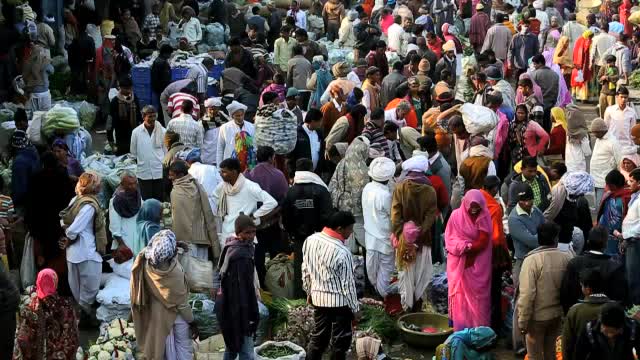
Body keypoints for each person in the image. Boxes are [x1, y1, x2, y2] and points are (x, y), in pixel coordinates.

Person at [303, 211, 360, 360]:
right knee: (340, 342)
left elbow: (306, 270)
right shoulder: (342, 252)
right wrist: (355, 309)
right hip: (340, 303)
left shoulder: (310, 240)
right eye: (350, 229)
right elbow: (348, 285)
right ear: (340, 229)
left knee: (319, 338)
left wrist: (309, 292)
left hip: (318, 299)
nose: (351, 232)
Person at [131, 230, 194, 359]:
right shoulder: (174, 274)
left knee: (164, 349)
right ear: (171, 255)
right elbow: (182, 305)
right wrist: (192, 322)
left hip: (158, 314)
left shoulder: (147, 263)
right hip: (176, 316)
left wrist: (175, 245)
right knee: (182, 348)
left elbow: (157, 249)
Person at [518, 222, 571, 360]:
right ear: (556, 239)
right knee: (551, 354)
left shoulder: (531, 260)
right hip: (557, 316)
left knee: (534, 356)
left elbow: (527, 295)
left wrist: (522, 322)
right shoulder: (567, 258)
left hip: (537, 318)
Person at [282, 158, 333, 298]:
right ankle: (321, 298)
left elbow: (286, 217)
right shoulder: (321, 190)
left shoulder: (290, 192)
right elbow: (328, 216)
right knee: (321, 268)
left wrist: (292, 234)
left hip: (299, 239)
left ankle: (300, 299)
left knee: (300, 269)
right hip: (320, 238)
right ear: (311, 170)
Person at [392, 156, 437, 311]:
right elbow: (431, 216)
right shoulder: (430, 190)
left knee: (406, 272)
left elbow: (395, 214)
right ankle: (418, 305)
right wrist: (420, 232)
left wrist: (402, 235)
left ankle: (407, 307)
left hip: (404, 240)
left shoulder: (400, 187)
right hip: (423, 240)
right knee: (421, 274)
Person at [59, 172, 107, 319]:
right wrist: (70, 235)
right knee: (90, 290)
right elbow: (74, 229)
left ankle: (79, 317)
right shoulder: (89, 206)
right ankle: (83, 317)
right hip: (87, 253)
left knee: (78, 289)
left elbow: (63, 220)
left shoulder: (76, 200)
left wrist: (68, 234)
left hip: (73, 253)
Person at [444, 189, 492, 331]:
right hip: (459, 264)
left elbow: (484, 240)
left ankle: (479, 331)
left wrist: (470, 247)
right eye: (472, 206)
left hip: (479, 264)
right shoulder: (455, 216)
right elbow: (449, 238)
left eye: (477, 207)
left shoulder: (484, 216)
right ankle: (461, 329)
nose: (474, 210)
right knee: (460, 298)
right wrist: (462, 246)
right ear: (465, 204)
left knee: (479, 300)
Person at [12, 269, 79, 359]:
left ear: (38, 283)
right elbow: (72, 337)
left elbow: (22, 339)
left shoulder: (29, 308)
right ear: (55, 283)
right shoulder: (66, 306)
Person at [560, 226, 628, 312]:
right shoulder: (615, 267)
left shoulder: (574, 263)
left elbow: (565, 294)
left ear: (588, 241)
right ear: (606, 244)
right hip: (606, 320)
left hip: (578, 317)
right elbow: (620, 300)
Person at [168, 160, 219, 260]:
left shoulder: (176, 191)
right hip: (200, 237)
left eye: (172, 175)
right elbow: (207, 211)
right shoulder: (196, 185)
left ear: (180, 175)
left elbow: (177, 218)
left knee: (191, 271)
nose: (169, 178)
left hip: (187, 243)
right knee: (202, 269)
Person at [362, 157, 396, 297]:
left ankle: (380, 298)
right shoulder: (386, 195)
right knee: (385, 274)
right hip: (384, 241)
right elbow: (393, 217)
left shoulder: (367, 188)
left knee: (373, 274)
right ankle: (385, 301)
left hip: (370, 239)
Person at [329, 137, 370, 252]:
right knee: (358, 228)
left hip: (342, 204)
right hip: (355, 207)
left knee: (348, 232)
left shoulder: (342, 163)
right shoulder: (359, 166)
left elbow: (332, 185)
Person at [562, 268, 613, 360]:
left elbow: (567, 344)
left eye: (581, 286)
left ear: (587, 289)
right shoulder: (616, 308)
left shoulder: (575, 311)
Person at [574, 302, 640, 359]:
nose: (610, 335)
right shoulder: (589, 330)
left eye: (614, 332)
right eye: (606, 331)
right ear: (601, 322)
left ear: (622, 326)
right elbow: (578, 356)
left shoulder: (633, 329)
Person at [130, 105, 166, 201]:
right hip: (143, 173)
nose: (153, 119)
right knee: (146, 200)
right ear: (143, 117)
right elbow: (133, 153)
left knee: (159, 200)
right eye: (150, 116)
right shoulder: (136, 132)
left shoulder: (163, 131)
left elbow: (166, 152)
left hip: (159, 171)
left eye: (154, 116)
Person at [597, 169, 631, 255]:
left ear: (613, 186)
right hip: (606, 234)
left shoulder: (626, 198)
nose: (606, 187)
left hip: (619, 236)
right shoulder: (609, 195)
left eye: (608, 184)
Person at [109, 171, 141, 261]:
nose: (133, 186)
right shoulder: (116, 200)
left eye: (135, 183)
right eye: (130, 184)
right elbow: (114, 225)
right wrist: (122, 244)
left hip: (137, 236)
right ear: (122, 184)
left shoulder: (137, 195)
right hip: (124, 239)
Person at [590, 118, 621, 207]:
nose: (594, 135)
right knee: (598, 207)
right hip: (595, 180)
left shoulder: (613, 142)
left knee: (601, 208)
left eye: (595, 132)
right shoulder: (598, 140)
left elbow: (619, 162)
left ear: (601, 130)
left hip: (604, 182)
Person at [216, 101, 256, 170]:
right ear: (232, 116)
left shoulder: (251, 127)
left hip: (247, 165)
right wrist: (219, 168)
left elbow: (254, 146)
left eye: (242, 115)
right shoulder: (225, 127)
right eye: (237, 116)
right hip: (230, 165)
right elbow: (220, 148)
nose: (240, 117)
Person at [108, 77, 142, 155]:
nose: (128, 91)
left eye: (129, 88)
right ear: (120, 88)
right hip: (121, 136)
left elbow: (139, 116)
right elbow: (110, 122)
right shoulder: (115, 102)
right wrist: (110, 140)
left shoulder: (135, 99)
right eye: (125, 88)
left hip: (134, 134)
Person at [621, 168, 640, 304]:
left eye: (632, 181)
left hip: (635, 241)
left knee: (633, 278)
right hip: (631, 240)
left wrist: (631, 236)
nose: (628, 183)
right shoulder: (635, 197)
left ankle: (635, 309)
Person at [531, 54, 559, 130]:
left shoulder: (534, 74)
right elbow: (556, 92)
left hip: (538, 107)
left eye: (535, 64)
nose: (534, 66)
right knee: (547, 128)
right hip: (550, 106)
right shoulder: (555, 75)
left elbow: (532, 92)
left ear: (540, 63)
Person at [571, 30, 595, 102]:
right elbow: (587, 53)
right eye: (591, 37)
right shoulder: (587, 42)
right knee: (585, 79)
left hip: (577, 64)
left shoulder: (578, 40)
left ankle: (577, 96)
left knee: (578, 79)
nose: (591, 38)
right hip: (585, 63)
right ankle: (584, 97)